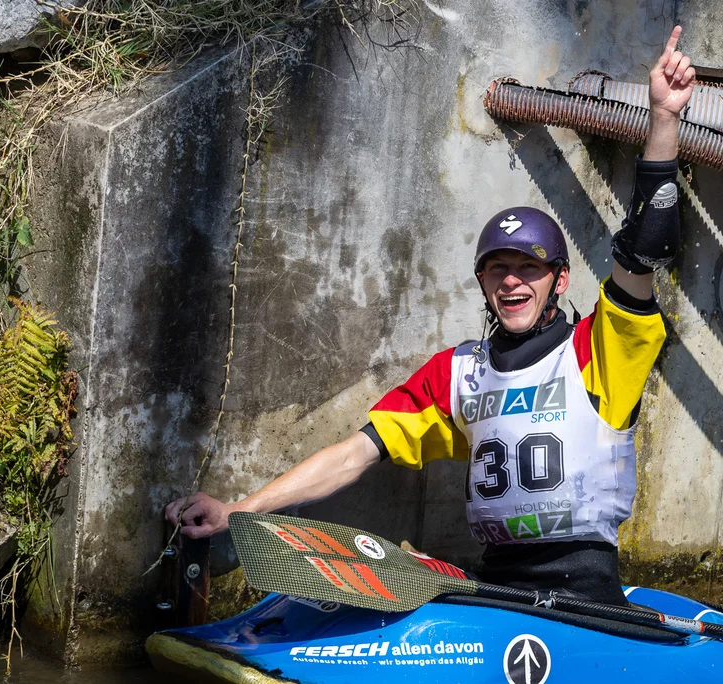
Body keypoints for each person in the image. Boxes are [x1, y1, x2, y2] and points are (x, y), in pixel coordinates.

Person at [165, 26, 696, 607]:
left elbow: (645, 247)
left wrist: (663, 119)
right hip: (498, 592)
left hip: (585, 594)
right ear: (482, 283)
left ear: (560, 281)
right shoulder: (457, 374)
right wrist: (239, 509)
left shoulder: (601, 352)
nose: (512, 281)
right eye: (497, 269)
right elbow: (353, 455)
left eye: (529, 268)